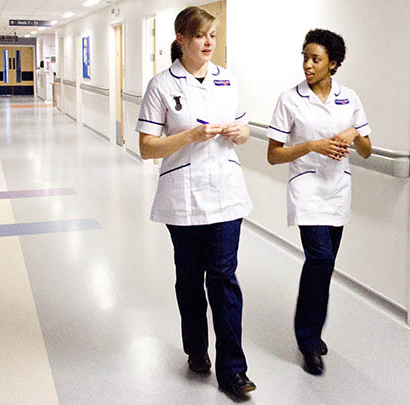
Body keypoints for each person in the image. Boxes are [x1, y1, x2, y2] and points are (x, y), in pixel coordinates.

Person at [136, 6, 256, 396]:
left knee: (222, 278)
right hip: (182, 198)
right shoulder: (160, 85)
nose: (208, 43)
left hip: (225, 192)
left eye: (213, 36)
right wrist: (190, 136)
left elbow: (244, 131)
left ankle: (233, 370)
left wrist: (240, 132)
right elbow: (147, 147)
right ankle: (196, 350)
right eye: (201, 36)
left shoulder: (227, 81)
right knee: (190, 279)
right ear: (182, 40)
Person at [266, 28, 372, 375]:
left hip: (338, 190)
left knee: (324, 268)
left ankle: (312, 330)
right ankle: (308, 341)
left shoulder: (349, 98)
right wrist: (312, 145)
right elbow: (273, 155)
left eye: (316, 59)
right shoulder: (290, 99)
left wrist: (354, 133)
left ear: (334, 63)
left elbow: (367, 151)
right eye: (305, 57)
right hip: (307, 189)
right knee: (320, 259)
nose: (307, 65)